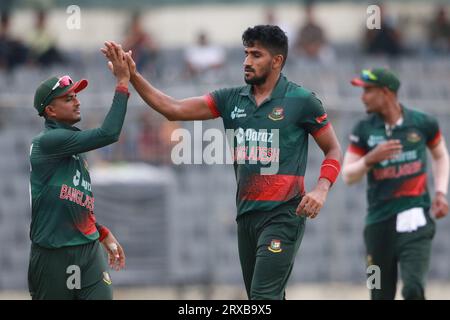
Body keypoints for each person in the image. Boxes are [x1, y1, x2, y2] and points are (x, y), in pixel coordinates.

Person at [102, 25, 342, 300]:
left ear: (277, 61)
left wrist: (322, 188)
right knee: (262, 297)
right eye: (246, 54)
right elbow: (173, 108)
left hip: (283, 215)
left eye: (256, 55)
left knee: (263, 299)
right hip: (247, 216)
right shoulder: (231, 99)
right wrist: (132, 76)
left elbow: (333, 148)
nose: (247, 61)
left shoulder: (302, 101)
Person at [28, 44, 131, 300]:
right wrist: (122, 81)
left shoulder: (75, 148)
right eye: (68, 98)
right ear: (50, 111)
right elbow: (109, 133)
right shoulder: (47, 143)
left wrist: (102, 233)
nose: (77, 101)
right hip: (53, 255)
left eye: (76, 95)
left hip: (87, 252)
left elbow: (72, 200)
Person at [342, 68, 449, 300]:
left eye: (368, 90)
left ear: (386, 92)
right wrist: (370, 159)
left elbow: (440, 155)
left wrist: (440, 193)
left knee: (413, 289)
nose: (363, 96)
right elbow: (348, 176)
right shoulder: (363, 129)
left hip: (416, 222)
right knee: (379, 294)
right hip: (377, 225)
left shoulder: (423, 123)